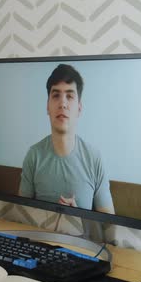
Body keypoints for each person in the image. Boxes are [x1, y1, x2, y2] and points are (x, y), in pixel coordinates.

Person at [19, 64, 115, 215]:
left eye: (69, 96)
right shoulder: (33, 155)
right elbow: (20, 216)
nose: (62, 103)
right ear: (47, 106)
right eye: (56, 95)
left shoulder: (94, 158)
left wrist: (79, 218)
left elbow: (109, 228)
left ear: (79, 108)